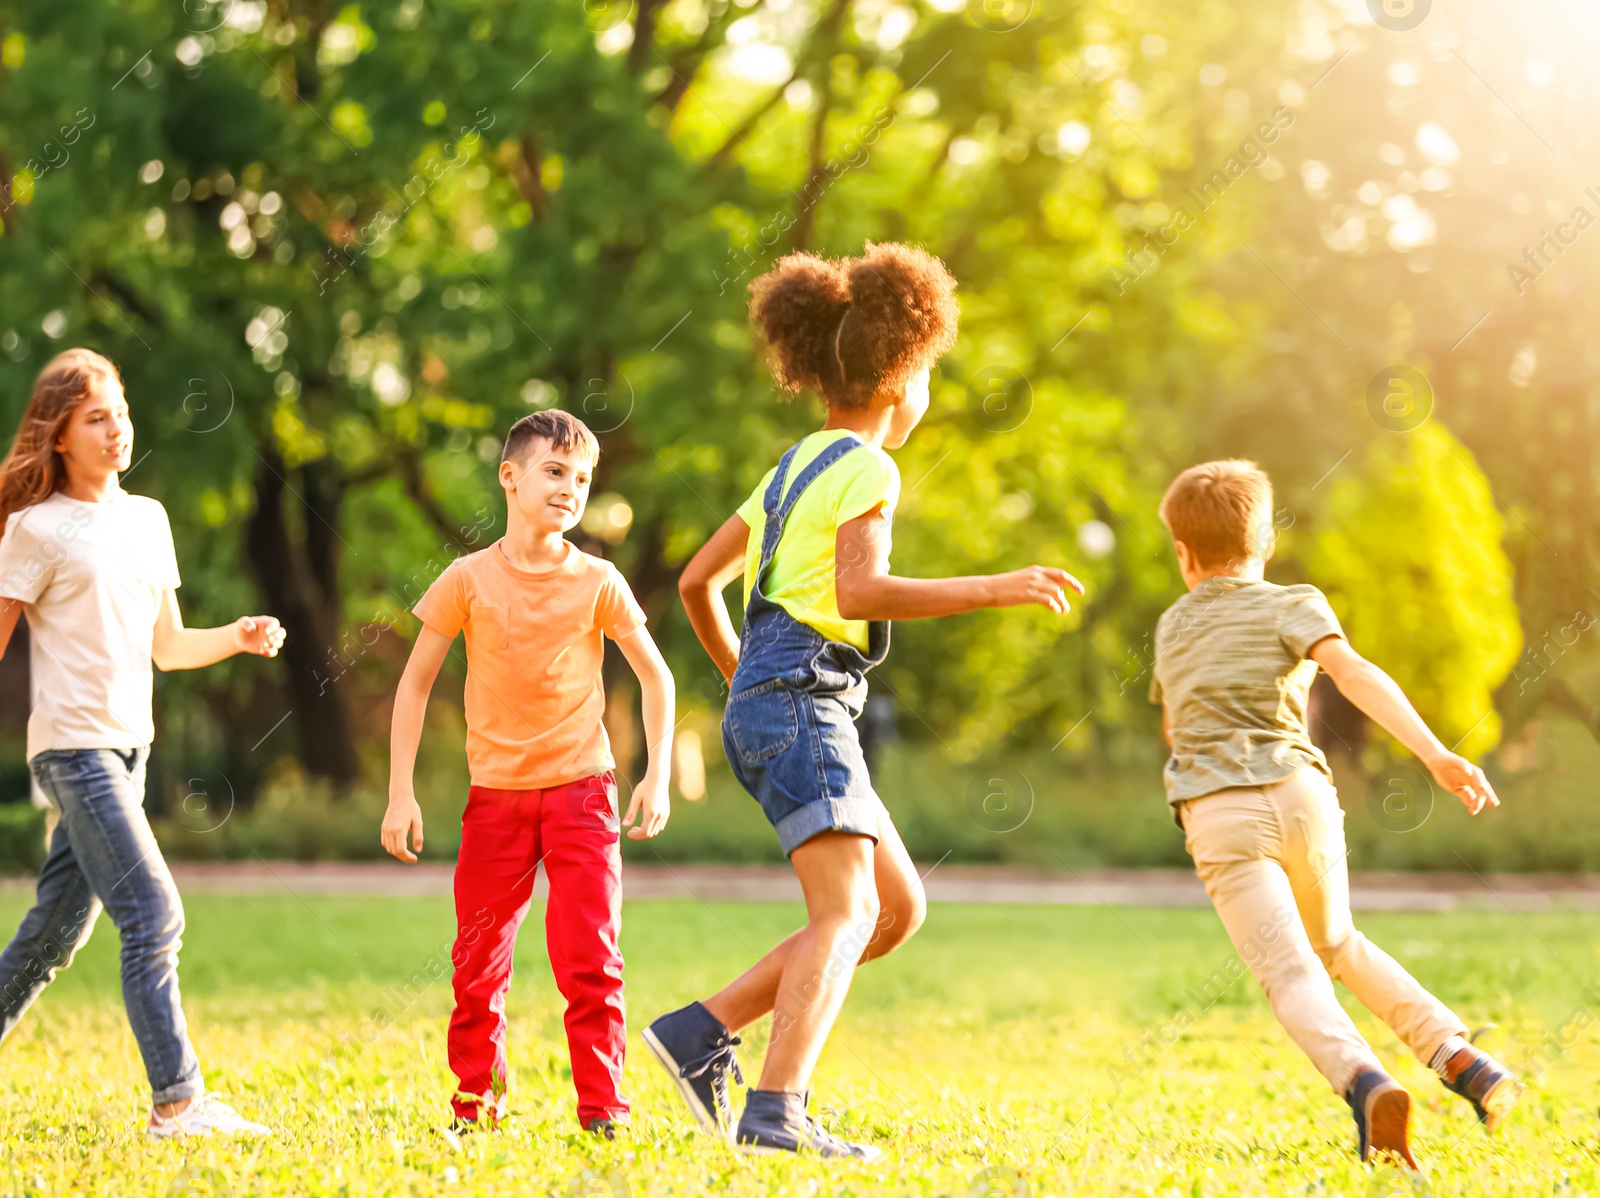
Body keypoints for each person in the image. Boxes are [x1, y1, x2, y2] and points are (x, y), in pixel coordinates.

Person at [642, 243, 1084, 1159]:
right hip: (804, 695)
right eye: (926, 374)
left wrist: (743, 679)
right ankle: (775, 1112)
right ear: (898, 378)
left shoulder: (795, 463)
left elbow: (695, 582)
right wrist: (994, 584)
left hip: (784, 696)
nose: (925, 392)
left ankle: (700, 1031)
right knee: (843, 916)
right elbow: (858, 594)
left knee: (893, 907)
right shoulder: (871, 469)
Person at [1150, 458, 1521, 1169]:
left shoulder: (1171, 626)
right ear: (1263, 542)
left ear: (1182, 552)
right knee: (1340, 944)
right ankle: (1464, 1060)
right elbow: (1352, 673)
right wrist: (1436, 754)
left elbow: (1176, 729)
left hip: (1221, 810)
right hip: (1302, 797)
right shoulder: (1296, 601)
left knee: (1290, 974)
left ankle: (1365, 1081)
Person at [0, 348, 284, 1138]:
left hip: (130, 749)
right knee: (153, 914)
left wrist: (237, 634)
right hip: (73, 750)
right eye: (96, 417)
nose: (117, 428)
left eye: (120, 413)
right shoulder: (35, 527)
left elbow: (167, 646)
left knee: (54, 933)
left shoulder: (147, 519)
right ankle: (177, 1102)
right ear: (59, 435)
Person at [381, 408, 674, 1138]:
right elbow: (414, 683)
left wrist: (655, 774)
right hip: (497, 803)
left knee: (590, 958)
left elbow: (657, 677)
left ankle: (603, 1111)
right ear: (509, 477)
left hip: (583, 795)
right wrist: (400, 791)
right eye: (553, 471)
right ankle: (477, 1103)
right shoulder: (466, 580)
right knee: (477, 963)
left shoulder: (599, 580)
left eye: (581, 478)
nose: (568, 488)